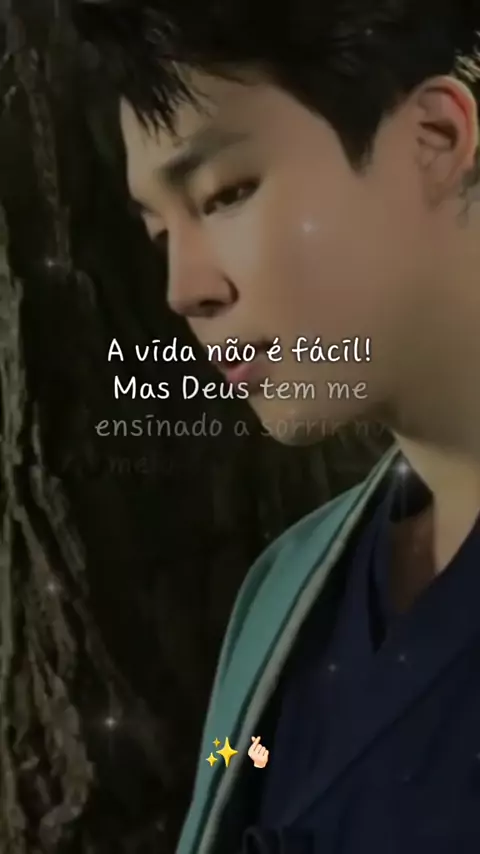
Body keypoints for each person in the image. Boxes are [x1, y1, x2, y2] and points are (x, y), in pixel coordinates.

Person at [75, 1, 480, 851]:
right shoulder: (286, 594)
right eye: (160, 234)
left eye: (225, 194)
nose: (185, 290)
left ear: (435, 140)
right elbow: (245, 770)